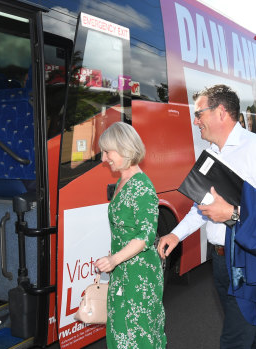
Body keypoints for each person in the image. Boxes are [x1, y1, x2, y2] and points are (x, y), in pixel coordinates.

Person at [157, 85, 256, 349]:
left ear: (221, 112)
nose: (195, 121)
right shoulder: (209, 154)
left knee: (234, 340)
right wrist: (176, 234)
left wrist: (234, 212)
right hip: (220, 262)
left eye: (199, 113)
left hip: (246, 264)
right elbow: (202, 207)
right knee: (247, 336)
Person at [94, 122, 166, 349]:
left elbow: (145, 235)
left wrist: (114, 259)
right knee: (120, 333)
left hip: (139, 277)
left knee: (137, 335)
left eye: (108, 152)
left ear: (124, 148)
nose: (104, 158)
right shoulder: (122, 182)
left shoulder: (142, 187)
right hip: (123, 272)